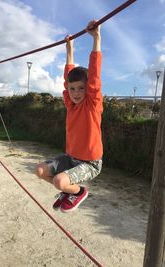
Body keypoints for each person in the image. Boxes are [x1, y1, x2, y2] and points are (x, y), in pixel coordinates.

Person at [35, 20, 103, 213]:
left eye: (81, 88)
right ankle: (68, 191)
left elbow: (95, 76)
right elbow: (68, 77)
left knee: (58, 180)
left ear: (88, 90)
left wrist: (96, 38)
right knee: (40, 170)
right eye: (72, 89)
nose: (76, 92)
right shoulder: (70, 105)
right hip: (70, 157)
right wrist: (69, 47)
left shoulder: (92, 104)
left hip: (90, 162)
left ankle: (79, 191)